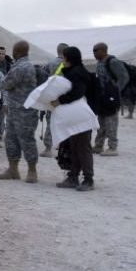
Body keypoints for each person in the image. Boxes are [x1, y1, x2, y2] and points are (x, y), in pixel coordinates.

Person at [51, 46, 96, 191]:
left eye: (64, 57)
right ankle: (73, 176)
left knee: (82, 147)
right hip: (75, 116)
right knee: (74, 147)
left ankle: (88, 179)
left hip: (81, 116)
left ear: (68, 58)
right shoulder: (74, 71)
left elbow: (77, 92)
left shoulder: (77, 73)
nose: (62, 60)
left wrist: (60, 100)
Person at [0, 41, 39, 183]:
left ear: (17, 52)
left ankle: (32, 171)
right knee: (11, 139)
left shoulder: (21, 67)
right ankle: (13, 170)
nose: (12, 53)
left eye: (14, 50)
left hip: (23, 111)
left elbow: (5, 84)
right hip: (16, 110)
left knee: (26, 140)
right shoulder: (25, 65)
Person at [93, 42, 129, 156]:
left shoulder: (113, 62)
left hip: (111, 98)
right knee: (101, 123)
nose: (94, 53)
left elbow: (124, 77)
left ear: (103, 50)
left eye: (96, 50)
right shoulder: (99, 63)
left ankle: (112, 147)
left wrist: (115, 91)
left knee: (111, 123)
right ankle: (98, 146)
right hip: (101, 98)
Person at [41, 42, 68, 157]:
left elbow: (43, 79)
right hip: (65, 98)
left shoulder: (50, 64)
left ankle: (48, 148)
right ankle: (62, 145)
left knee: (50, 122)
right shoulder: (69, 64)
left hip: (52, 97)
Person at [0, 46, 13, 147]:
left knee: (1, 117)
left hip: (3, 94)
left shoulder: (8, 66)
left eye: (3, 54)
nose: (1, 55)